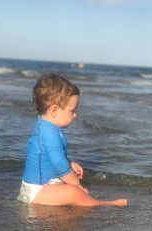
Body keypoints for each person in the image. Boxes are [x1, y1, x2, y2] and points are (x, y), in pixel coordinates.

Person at [18, 73, 127, 207]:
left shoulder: (46, 127)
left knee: (72, 190)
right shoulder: (49, 133)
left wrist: (69, 164)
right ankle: (103, 204)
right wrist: (76, 184)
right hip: (36, 192)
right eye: (72, 110)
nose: (75, 115)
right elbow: (58, 163)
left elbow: (53, 156)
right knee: (74, 192)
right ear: (54, 111)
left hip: (43, 186)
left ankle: (83, 199)